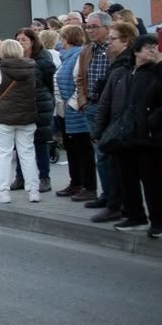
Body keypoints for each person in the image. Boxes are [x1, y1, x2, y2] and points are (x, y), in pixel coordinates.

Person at [88, 22, 139, 224]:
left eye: (113, 39)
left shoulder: (126, 65)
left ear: (126, 41)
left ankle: (119, 206)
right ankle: (117, 204)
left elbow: (111, 98)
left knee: (121, 171)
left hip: (122, 126)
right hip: (114, 123)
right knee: (117, 169)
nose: (110, 44)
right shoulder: (118, 63)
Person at [0, 39, 41, 204]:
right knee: (27, 153)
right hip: (27, 115)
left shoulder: (0, 70)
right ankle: (34, 190)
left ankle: (3, 190)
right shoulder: (32, 67)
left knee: (4, 153)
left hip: (5, 116)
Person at [75, 12, 117, 218]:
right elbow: (80, 78)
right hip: (92, 107)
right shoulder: (87, 50)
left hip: (111, 109)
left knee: (113, 155)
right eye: (88, 27)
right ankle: (106, 195)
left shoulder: (114, 50)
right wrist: (82, 101)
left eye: (94, 27)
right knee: (99, 154)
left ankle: (116, 199)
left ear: (107, 28)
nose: (90, 30)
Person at [9, 27, 56, 193]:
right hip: (21, 106)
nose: (21, 43)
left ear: (33, 41)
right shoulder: (15, 58)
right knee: (21, 143)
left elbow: (50, 82)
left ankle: (44, 177)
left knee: (40, 142)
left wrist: (50, 101)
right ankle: (21, 177)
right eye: (18, 40)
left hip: (40, 105)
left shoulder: (43, 58)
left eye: (24, 40)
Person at [55, 25, 97, 201]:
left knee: (83, 150)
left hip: (76, 111)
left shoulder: (79, 55)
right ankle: (76, 182)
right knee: (72, 149)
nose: (60, 41)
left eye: (62, 37)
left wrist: (74, 104)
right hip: (67, 112)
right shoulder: (67, 57)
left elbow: (79, 81)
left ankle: (89, 186)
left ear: (67, 38)